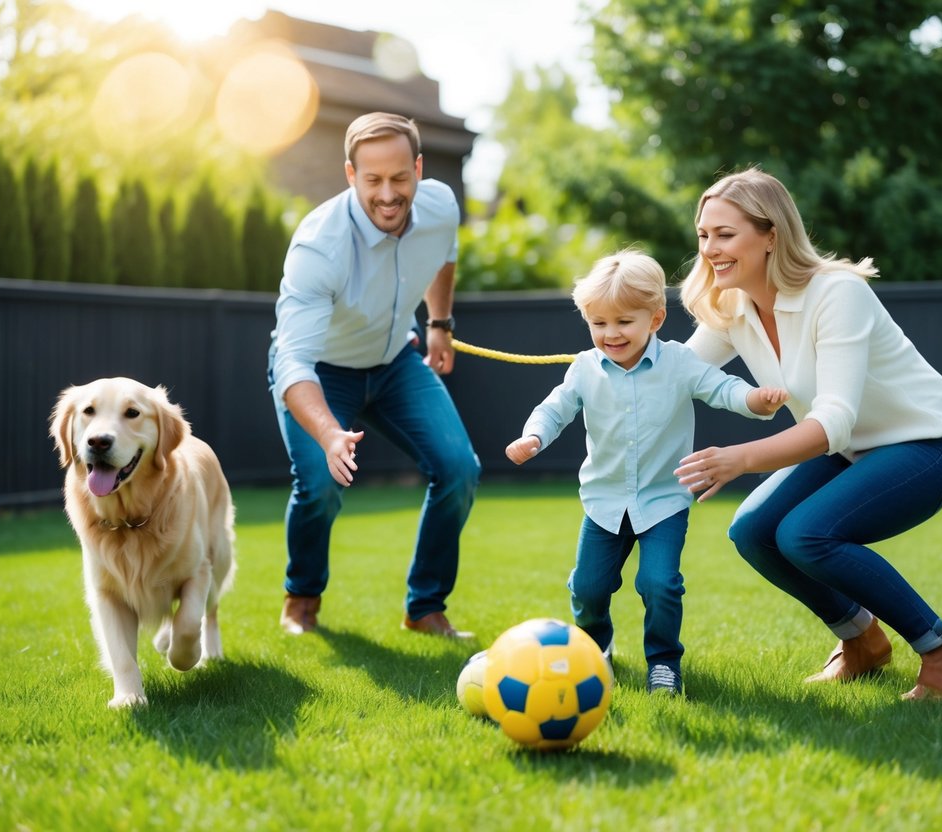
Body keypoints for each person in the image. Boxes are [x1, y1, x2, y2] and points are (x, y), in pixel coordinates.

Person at [673, 168, 942, 700]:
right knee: (752, 530)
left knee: (806, 534)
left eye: (725, 235)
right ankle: (862, 641)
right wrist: (606, 359)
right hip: (849, 449)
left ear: (771, 234)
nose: (710, 249)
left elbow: (833, 418)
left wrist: (739, 459)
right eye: (704, 235)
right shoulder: (732, 304)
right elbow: (673, 373)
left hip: (927, 443)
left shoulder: (837, 293)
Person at [505, 250, 788, 695]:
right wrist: (533, 437)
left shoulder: (678, 363)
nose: (610, 334)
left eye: (623, 322)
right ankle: (595, 652)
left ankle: (663, 662)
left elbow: (722, 388)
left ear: (655, 319)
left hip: (663, 502)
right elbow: (553, 409)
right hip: (603, 502)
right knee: (588, 589)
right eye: (599, 324)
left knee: (660, 584)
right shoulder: (584, 369)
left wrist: (756, 401)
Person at [267, 112, 480, 639]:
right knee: (319, 483)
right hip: (320, 373)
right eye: (373, 180)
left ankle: (425, 607)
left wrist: (440, 323)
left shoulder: (439, 205)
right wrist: (329, 433)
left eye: (400, 178)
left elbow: (444, 257)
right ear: (350, 175)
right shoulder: (320, 246)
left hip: (394, 362)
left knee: (459, 470)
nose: (388, 194)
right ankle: (302, 599)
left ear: (419, 169)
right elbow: (292, 363)